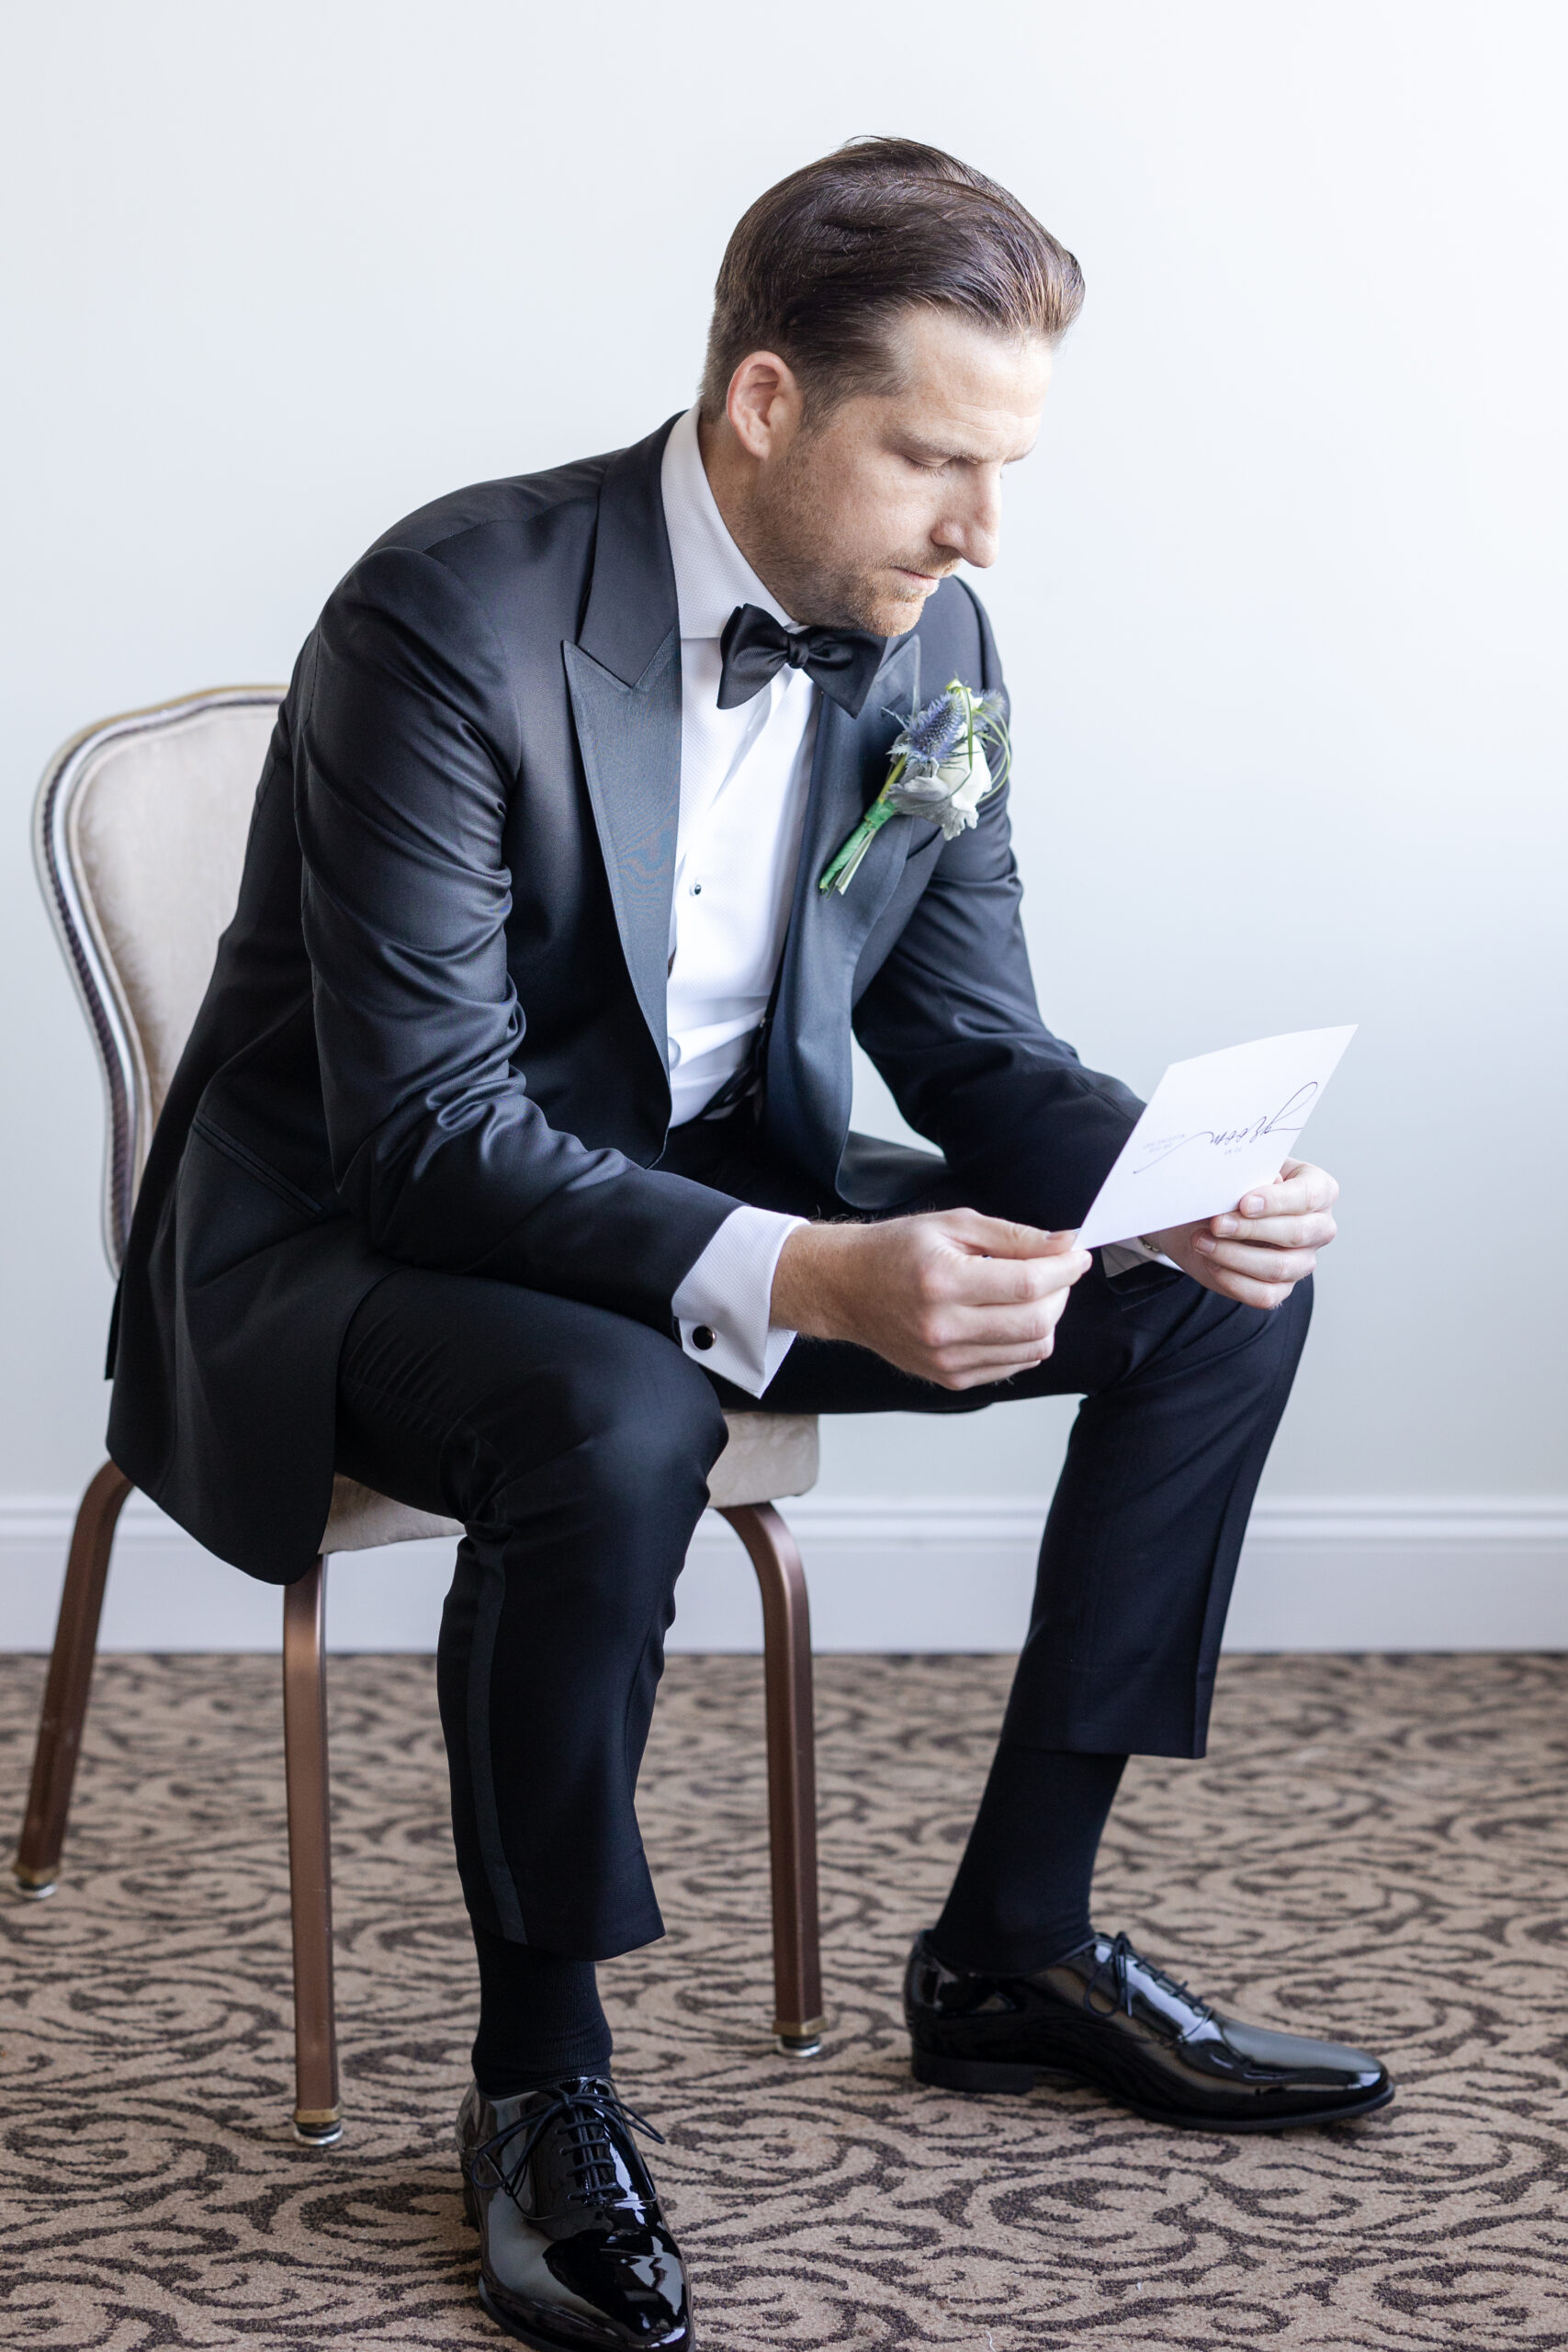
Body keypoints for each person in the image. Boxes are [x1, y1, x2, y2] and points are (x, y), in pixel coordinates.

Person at [107, 138, 1389, 2352]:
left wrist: (1160, 1180)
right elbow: (424, 1131)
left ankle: (1015, 1939)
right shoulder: (442, 610)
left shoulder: (931, 632)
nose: (983, 527)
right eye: (934, 458)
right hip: (355, 1237)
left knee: (1202, 1301)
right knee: (609, 1413)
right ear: (768, 401)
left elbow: (973, 1044)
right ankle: (537, 2079)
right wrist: (798, 1274)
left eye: (1007, 466)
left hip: (712, 1190)